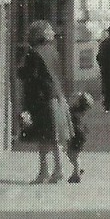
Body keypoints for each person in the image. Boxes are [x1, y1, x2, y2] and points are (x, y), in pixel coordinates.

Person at [18, 20, 70, 184]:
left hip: (42, 100)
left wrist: (20, 70)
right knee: (54, 137)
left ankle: (44, 172)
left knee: (43, 137)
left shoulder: (33, 53)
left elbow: (28, 75)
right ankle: (58, 169)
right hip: (57, 97)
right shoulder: (53, 51)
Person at [65, 92, 92, 183]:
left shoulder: (75, 110)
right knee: (70, 153)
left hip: (76, 135)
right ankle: (77, 169)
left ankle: (76, 174)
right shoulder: (80, 111)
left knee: (74, 154)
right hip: (79, 134)